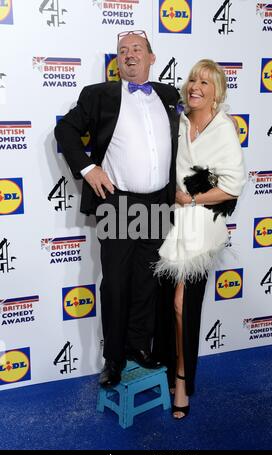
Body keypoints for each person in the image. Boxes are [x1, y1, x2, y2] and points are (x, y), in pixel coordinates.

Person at [55, 30, 180, 388]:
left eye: (137, 49)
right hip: (118, 203)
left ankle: (139, 347)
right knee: (116, 284)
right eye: (123, 51)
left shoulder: (169, 95)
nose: (129, 55)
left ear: (151, 58)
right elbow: (65, 130)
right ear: (117, 61)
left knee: (146, 281)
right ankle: (113, 359)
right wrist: (88, 168)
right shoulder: (99, 95)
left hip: (158, 202)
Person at [153, 59, 246, 419]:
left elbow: (232, 185)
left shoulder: (223, 128)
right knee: (167, 303)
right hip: (169, 221)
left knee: (182, 305)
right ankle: (170, 366)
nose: (196, 86)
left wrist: (192, 195)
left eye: (205, 83)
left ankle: (181, 380)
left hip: (203, 224)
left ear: (216, 93)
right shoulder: (177, 121)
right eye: (193, 79)